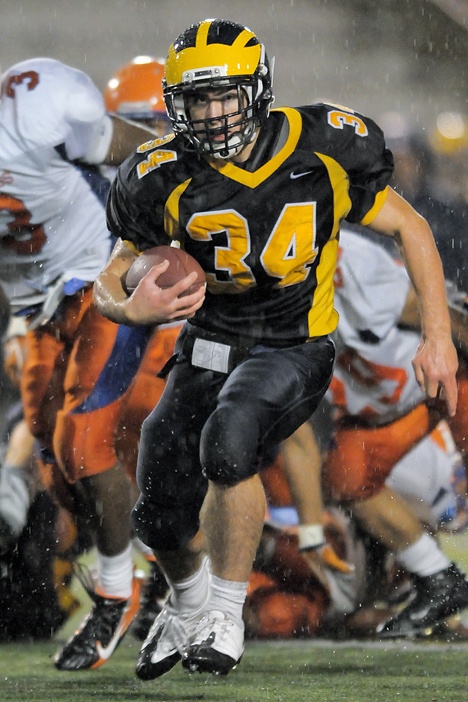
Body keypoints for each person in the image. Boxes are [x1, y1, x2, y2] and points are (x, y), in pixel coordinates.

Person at [93, 18, 458, 679]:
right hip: (209, 341)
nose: (212, 112)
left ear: (258, 91)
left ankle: (224, 614)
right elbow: (112, 273)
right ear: (178, 105)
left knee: (229, 442)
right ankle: (189, 603)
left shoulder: (321, 146)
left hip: (294, 342)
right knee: (159, 503)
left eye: (225, 95)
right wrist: (128, 304)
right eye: (197, 100)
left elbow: (410, 226)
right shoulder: (158, 173)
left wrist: (437, 336)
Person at [0, 57, 159, 670]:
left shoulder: (37, 101)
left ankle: (118, 591)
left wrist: (186, 162)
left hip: (102, 277)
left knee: (83, 440)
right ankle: (131, 558)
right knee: (51, 454)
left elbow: (122, 143)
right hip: (36, 304)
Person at [322, 226, 468, 638]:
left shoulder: (346, 258)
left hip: (444, 380)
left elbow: (429, 311)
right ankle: (438, 578)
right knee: (346, 480)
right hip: (382, 410)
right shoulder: (253, 280)